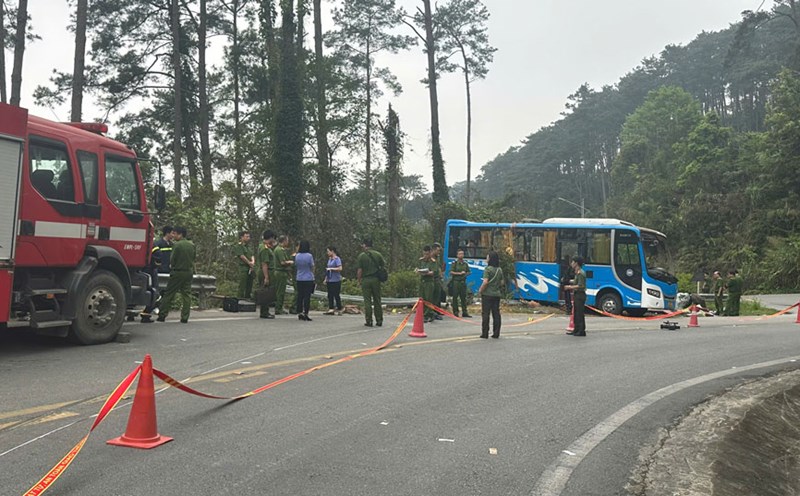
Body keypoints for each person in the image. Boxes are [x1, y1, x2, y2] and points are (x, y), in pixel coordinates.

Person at [157, 227, 196, 323]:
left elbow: (172, 259)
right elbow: (194, 258)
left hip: (178, 272)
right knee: (186, 294)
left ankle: (162, 315)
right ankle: (185, 317)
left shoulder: (177, 245)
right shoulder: (192, 245)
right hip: (188, 272)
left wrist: (172, 266)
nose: (174, 236)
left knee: (169, 293)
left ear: (180, 234)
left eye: (175, 234)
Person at [140, 225, 174, 323]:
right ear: (167, 233)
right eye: (172, 232)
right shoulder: (157, 244)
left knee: (160, 294)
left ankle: (149, 313)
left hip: (165, 270)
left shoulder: (171, 245)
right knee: (156, 293)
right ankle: (146, 313)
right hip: (156, 270)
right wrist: (158, 266)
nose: (173, 235)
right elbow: (157, 256)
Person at [357, 238, 385, 327]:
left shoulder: (361, 256)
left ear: (365, 245)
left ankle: (369, 320)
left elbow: (360, 270)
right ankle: (379, 320)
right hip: (376, 280)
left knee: (367, 301)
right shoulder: (378, 255)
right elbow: (383, 266)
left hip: (366, 280)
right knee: (377, 300)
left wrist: (359, 280)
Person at [478, 251, 504, 338]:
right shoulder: (499, 270)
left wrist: (480, 290)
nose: (486, 259)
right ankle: (496, 333)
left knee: (486, 313)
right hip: (496, 294)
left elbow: (485, 282)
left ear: (490, 259)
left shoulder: (488, 269)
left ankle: (485, 333)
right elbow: (502, 282)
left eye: (487, 257)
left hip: (487, 294)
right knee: (496, 313)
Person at [256, 230, 276, 319]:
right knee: (266, 292)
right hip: (266, 271)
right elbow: (264, 264)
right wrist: (266, 277)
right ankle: (264, 312)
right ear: (270, 238)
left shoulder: (263, 246)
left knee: (267, 291)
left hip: (268, 271)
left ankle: (265, 310)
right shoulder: (264, 249)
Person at [564, 256, 587, 337]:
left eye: (572, 262)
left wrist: (569, 287)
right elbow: (576, 281)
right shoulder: (577, 272)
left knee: (579, 314)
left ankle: (581, 331)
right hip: (577, 295)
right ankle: (576, 329)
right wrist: (568, 281)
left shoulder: (581, 273)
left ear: (576, 263)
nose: (571, 264)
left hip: (580, 295)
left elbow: (581, 286)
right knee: (576, 313)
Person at [294, 240, 315, 321]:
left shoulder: (297, 255)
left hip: (299, 277)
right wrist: (313, 275)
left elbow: (296, 265)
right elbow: (312, 266)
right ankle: (305, 312)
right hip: (308, 277)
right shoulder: (309, 256)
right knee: (307, 296)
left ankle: (299, 312)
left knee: (300, 295)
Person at [273, 235, 294, 314]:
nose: (288, 242)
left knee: (281, 291)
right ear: (284, 241)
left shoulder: (282, 250)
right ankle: (278, 308)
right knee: (280, 291)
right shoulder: (279, 250)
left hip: (283, 272)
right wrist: (290, 262)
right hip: (280, 272)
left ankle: (279, 307)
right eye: (287, 241)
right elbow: (282, 262)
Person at [417, 246, 439, 323]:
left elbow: (434, 272)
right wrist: (418, 271)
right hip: (422, 281)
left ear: (430, 253)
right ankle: (423, 314)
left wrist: (427, 272)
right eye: (424, 254)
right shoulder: (421, 260)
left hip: (429, 282)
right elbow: (418, 268)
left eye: (427, 254)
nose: (425, 255)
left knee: (428, 299)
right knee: (422, 299)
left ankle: (428, 314)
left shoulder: (433, 262)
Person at [449, 248, 472, 318]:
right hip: (456, 282)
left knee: (463, 297)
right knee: (455, 297)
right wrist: (459, 273)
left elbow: (469, 271)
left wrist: (466, 273)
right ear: (457, 255)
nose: (461, 255)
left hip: (463, 282)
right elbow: (451, 272)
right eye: (460, 254)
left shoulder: (465, 264)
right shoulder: (455, 263)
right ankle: (455, 312)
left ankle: (464, 312)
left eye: (462, 254)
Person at [233, 230, 255, 300]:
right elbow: (242, 256)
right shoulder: (239, 246)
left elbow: (252, 255)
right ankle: (239, 299)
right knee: (242, 284)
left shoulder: (248, 247)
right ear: (242, 237)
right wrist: (249, 263)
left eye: (249, 236)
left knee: (249, 285)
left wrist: (252, 263)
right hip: (243, 268)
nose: (248, 238)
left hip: (250, 268)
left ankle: (247, 298)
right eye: (246, 236)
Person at [324, 246, 343, 315]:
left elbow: (340, 268)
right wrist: (326, 278)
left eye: (328, 251)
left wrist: (332, 269)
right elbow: (328, 269)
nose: (327, 253)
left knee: (336, 294)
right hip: (330, 279)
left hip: (336, 280)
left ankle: (339, 308)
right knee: (330, 295)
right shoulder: (329, 259)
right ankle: (331, 308)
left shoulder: (337, 259)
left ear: (332, 251)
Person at [431, 242, 445, 319]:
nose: (439, 252)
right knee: (433, 297)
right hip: (432, 279)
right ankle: (432, 312)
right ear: (433, 250)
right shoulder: (430, 258)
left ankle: (437, 310)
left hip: (438, 279)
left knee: (438, 296)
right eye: (438, 250)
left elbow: (438, 267)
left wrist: (441, 274)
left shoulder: (437, 258)